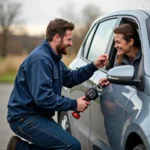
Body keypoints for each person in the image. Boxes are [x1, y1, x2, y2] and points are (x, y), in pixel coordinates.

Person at [7, 18, 108, 150]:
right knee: (71, 146)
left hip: (38, 116)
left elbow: (70, 78)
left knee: (63, 144)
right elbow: (44, 98)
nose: (71, 43)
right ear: (56, 38)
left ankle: (18, 147)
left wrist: (94, 66)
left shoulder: (53, 59)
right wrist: (74, 104)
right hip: (24, 118)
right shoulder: (41, 60)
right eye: (69, 39)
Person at [99, 23, 141, 150]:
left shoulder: (146, 59)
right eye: (114, 42)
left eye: (118, 42)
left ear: (130, 42)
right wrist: (109, 80)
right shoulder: (119, 59)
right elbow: (118, 78)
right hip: (121, 108)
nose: (115, 46)